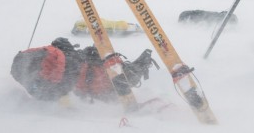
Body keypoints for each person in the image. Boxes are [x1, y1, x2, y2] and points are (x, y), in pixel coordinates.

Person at [10, 37, 157, 102]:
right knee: (116, 72)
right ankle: (132, 70)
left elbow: (62, 86)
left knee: (110, 71)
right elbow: (63, 78)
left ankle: (131, 70)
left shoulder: (39, 63)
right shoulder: (58, 58)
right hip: (98, 87)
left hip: (87, 88)